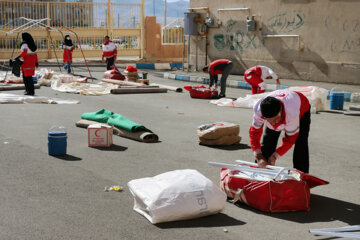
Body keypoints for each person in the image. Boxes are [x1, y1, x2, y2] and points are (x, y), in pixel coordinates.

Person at [249, 89, 311, 173]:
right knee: (269, 139)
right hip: (281, 102)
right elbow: (254, 133)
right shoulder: (258, 110)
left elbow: (290, 139)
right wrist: (259, 156)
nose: (273, 123)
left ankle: (302, 175)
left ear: (280, 111)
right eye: (269, 120)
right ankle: (261, 170)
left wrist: (275, 156)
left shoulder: (292, 114)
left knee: (300, 142)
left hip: (302, 106)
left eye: (275, 120)